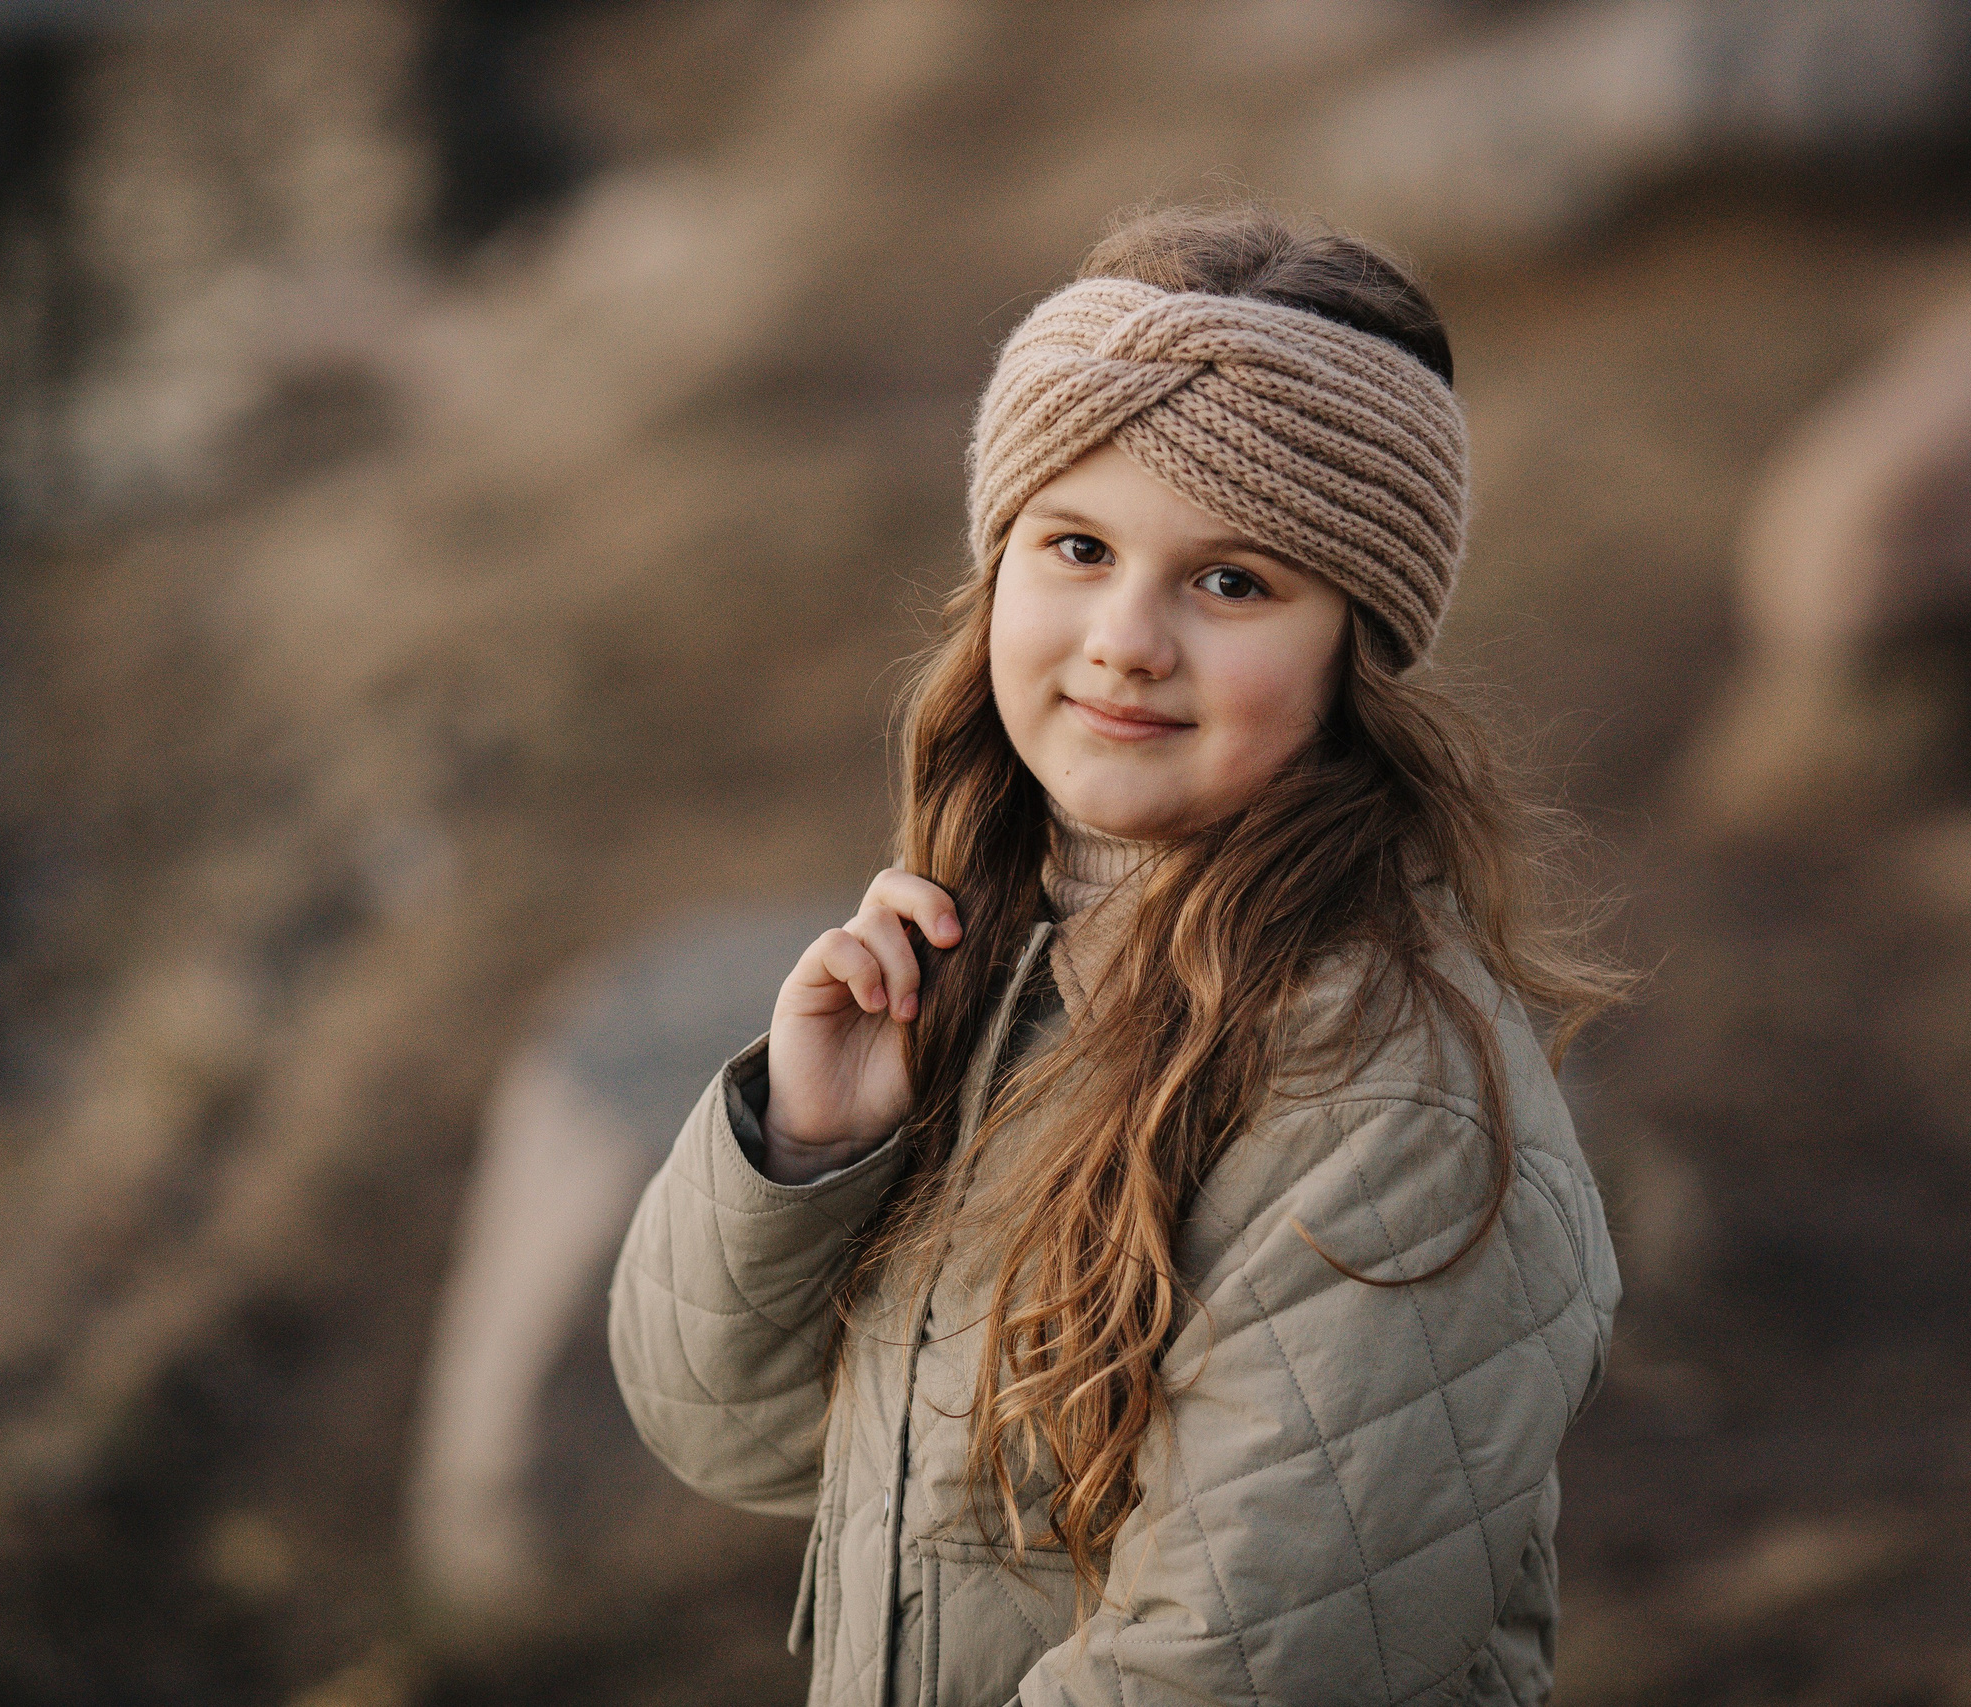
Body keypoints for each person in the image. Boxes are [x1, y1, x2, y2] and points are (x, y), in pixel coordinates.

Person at [608, 206, 1626, 1707]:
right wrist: (813, 1148)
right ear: (1000, 566)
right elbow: (731, 1439)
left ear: (1360, 645)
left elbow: (1220, 1670)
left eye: (1233, 582)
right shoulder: (994, 973)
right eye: (1077, 547)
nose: (1128, 639)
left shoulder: (1387, 1109)